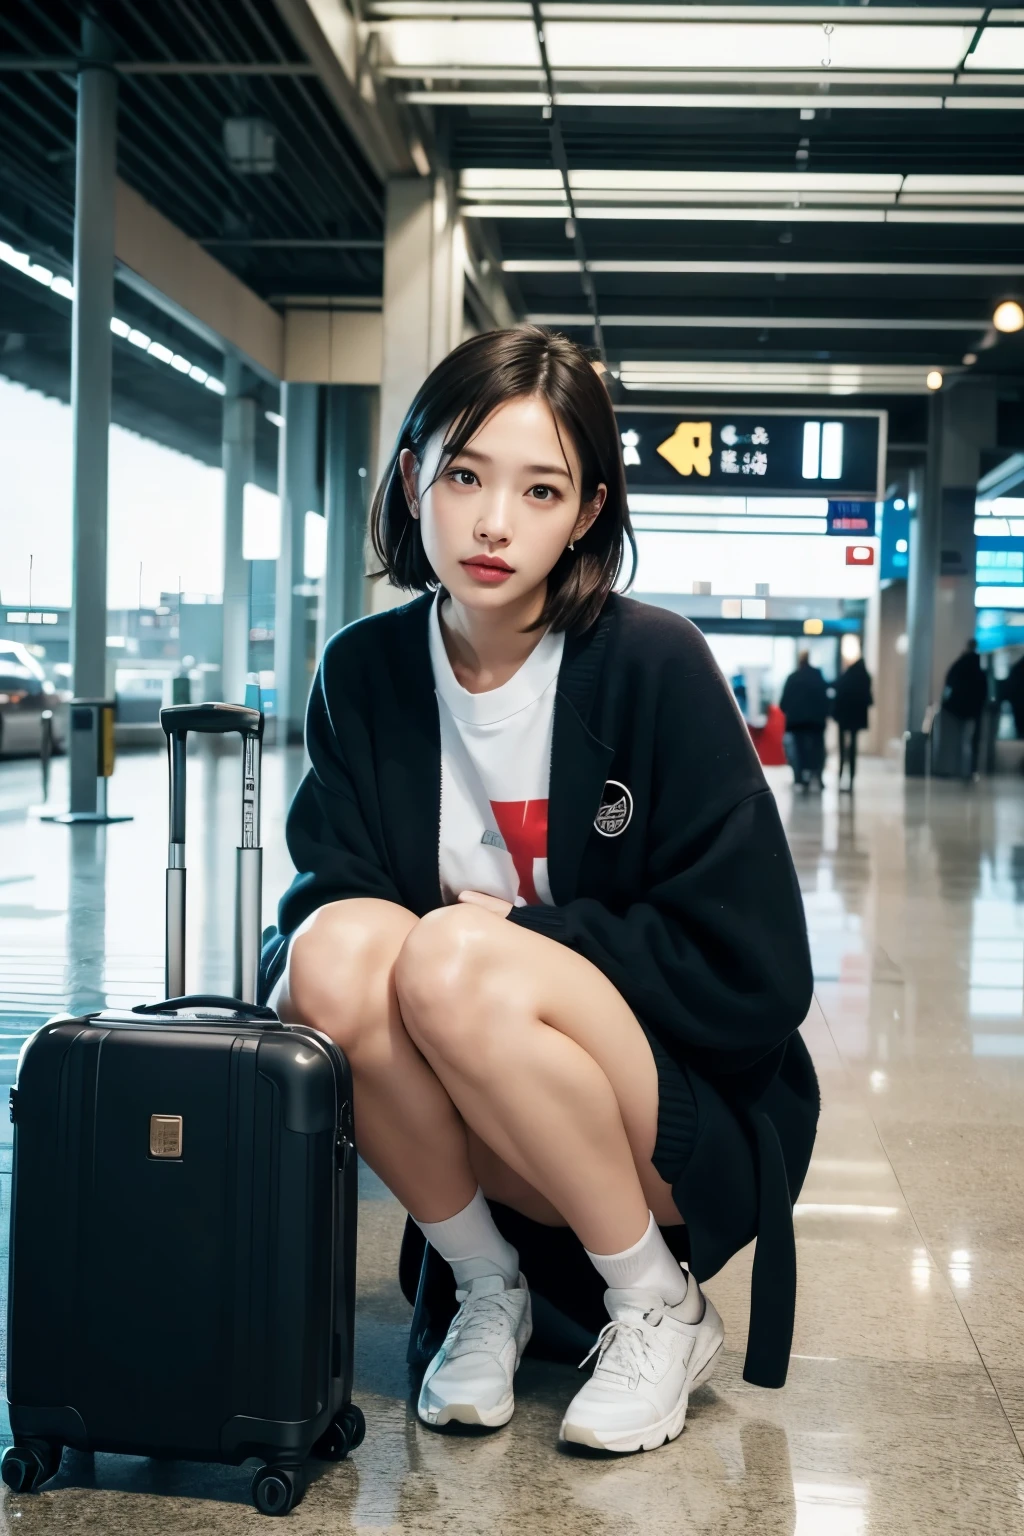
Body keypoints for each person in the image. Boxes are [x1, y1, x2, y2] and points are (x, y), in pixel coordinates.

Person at [262, 327, 817, 1456]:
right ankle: (486, 1287)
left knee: (452, 957)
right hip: (476, 1114)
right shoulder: (365, 674)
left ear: (586, 514)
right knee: (324, 955)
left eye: (541, 488)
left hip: (677, 1117)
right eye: (464, 474)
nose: (493, 522)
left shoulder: (652, 664)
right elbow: (333, 911)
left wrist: (524, 936)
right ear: (413, 475)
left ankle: (658, 1301)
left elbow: (755, 970)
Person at [779, 650, 829, 791]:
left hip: (797, 722)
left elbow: (783, 703)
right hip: (816, 722)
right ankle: (817, 777)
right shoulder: (818, 676)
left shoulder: (793, 678)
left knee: (798, 750)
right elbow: (825, 699)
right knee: (817, 749)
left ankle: (799, 778)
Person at [942, 638, 988, 778]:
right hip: (973, 709)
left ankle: (956, 768)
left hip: (956, 709)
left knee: (957, 740)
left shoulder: (959, 665)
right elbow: (983, 690)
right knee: (971, 741)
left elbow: (949, 682)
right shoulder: (978, 667)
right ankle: (969, 769)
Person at [832, 655, 873, 793]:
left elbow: (838, 692)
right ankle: (851, 780)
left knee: (842, 749)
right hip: (856, 718)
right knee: (853, 748)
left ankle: (841, 776)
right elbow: (869, 699)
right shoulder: (864, 677)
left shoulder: (847, 676)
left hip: (843, 718)